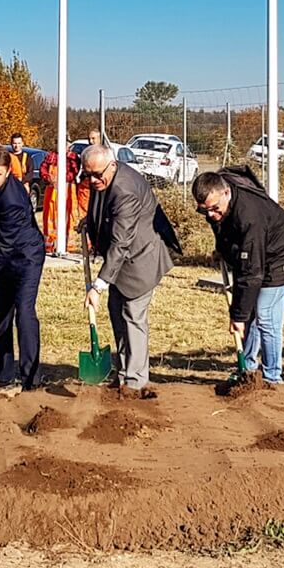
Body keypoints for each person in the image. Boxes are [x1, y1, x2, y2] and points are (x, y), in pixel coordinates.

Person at [193, 167, 284, 385]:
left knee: (265, 315)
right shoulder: (219, 200)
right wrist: (223, 249)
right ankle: (249, 371)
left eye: (214, 209)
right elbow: (222, 228)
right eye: (204, 210)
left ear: (226, 193)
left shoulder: (250, 216)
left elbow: (252, 274)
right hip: (256, 252)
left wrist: (238, 316)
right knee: (249, 313)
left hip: (281, 255)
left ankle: (272, 377)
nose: (211, 215)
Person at [82, 141, 173, 395]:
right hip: (120, 262)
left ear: (112, 165)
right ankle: (123, 373)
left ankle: (136, 382)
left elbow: (121, 242)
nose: (92, 180)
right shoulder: (104, 177)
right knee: (116, 313)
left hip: (139, 260)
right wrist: (89, 222)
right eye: (87, 174)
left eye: (96, 174)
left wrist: (98, 286)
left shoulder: (125, 190)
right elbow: (104, 209)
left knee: (133, 316)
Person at [0, 146, 46, 393]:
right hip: (1, 256)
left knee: (24, 313)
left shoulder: (12, 200)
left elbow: (6, 246)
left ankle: (31, 379)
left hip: (26, 258)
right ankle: (3, 375)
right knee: (0, 313)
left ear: (7, 172)